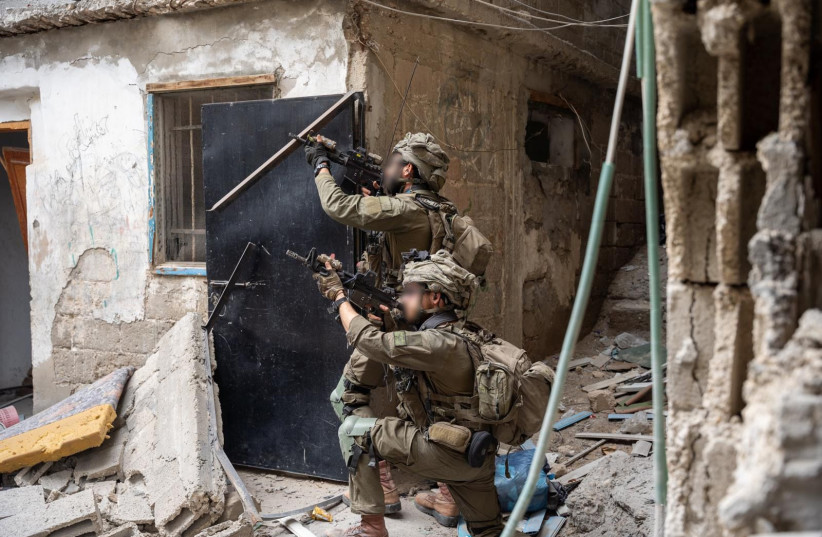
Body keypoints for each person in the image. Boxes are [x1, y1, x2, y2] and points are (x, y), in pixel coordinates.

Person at [305, 133, 459, 516]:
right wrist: (343, 155)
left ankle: (384, 491)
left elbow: (339, 206)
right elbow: (383, 174)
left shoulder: (406, 208)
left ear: (408, 170)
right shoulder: (437, 206)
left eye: (392, 164)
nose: (383, 170)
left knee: (354, 397)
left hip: (398, 323)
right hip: (424, 319)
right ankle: (444, 496)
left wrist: (321, 166)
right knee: (430, 408)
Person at [311, 250, 503, 537]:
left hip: (443, 453)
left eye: (411, 293)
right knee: (489, 531)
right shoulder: (463, 333)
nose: (402, 299)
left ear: (435, 297)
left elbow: (370, 341)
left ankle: (372, 529)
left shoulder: (434, 344)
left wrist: (339, 296)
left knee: (352, 431)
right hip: (477, 455)